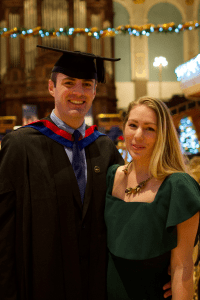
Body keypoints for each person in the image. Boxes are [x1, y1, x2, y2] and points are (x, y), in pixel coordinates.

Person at [0, 46, 124, 300]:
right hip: (40, 282)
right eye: (69, 83)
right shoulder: (20, 145)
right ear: (51, 88)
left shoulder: (105, 148)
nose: (78, 92)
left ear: (95, 91)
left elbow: (124, 217)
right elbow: (3, 229)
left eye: (87, 84)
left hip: (94, 284)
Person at [105, 96, 200, 300]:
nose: (138, 135)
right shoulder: (111, 176)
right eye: (133, 125)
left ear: (163, 136)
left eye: (150, 129)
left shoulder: (178, 187)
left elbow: (182, 267)